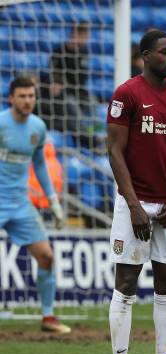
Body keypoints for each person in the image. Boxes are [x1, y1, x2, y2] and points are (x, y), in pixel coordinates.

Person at [106, 30, 166, 354]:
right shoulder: (126, 94)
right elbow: (114, 151)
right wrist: (133, 205)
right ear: (145, 56)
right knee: (126, 284)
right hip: (135, 204)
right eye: (164, 52)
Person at [0, 77, 67, 334]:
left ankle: (48, 316)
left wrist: (53, 202)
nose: (28, 101)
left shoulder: (38, 127)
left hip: (20, 203)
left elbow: (39, 164)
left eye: (31, 96)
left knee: (46, 256)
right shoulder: (2, 123)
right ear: (11, 98)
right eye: (22, 96)